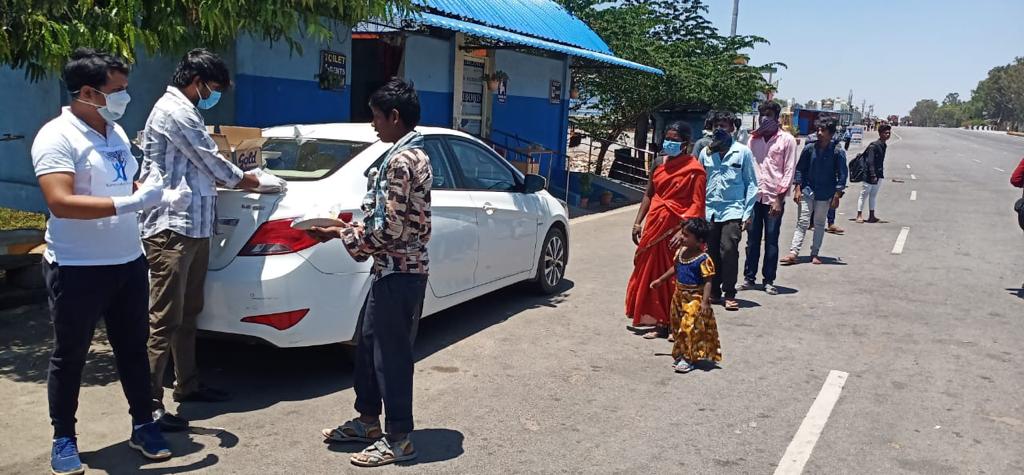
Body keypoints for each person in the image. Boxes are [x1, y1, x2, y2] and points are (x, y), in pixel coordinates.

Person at [33, 48, 188, 474]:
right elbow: (60, 201)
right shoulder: (57, 136)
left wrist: (158, 194)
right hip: (77, 267)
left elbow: (126, 184)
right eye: (117, 90)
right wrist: (130, 204)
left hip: (127, 261)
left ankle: (144, 424)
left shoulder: (114, 132)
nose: (125, 97)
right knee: (71, 355)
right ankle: (64, 437)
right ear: (87, 92)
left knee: (133, 350)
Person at [137, 48, 287, 431]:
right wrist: (254, 182)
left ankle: (188, 384)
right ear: (197, 81)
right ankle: (148, 407)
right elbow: (212, 162)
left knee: (188, 313)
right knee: (164, 318)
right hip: (171, 228)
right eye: (213, 88)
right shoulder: (176, 112)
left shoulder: (189, 111)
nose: (213, 95)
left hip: (195, 226)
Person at [312, 78, 432, 467]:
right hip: (391, 271)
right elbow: (389, 220)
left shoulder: (400, 161)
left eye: (377, 117)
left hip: (400, 272)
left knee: (389, 356)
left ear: (394, 117)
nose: (373, 124)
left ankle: (399, 438)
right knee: (367, 347)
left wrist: (341, 234)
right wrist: (349, 228)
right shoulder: (411, 154)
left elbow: (389, 229)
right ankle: (367, 422)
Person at [625, 122, 706, 339]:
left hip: (678, 229)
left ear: (685, 144)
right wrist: (637, 222)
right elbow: (648, 194)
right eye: (667, 138)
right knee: (651, 272)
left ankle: (676, 323)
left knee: (675, 276)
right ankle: (659, 322)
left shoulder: (695, 170)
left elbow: (697, 204)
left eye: (674, 140)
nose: (669, 143)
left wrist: (684, 232)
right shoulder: (658, 163)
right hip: (654, 225)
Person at [698, 111, 757, 311]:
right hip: (710, 210)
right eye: (716, 125)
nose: (719, 129)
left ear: (732, 128)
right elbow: (699, 181)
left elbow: (751, 183)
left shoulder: (742, 152)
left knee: (729, 250)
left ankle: (730, 292)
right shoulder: (706, 153)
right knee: (711, 252)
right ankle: (713, 291)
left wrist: (747, 213)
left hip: (733, 209)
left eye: (723, 125)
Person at [650, 218, 722, 374]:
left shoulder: (704, 259)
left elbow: (708, 281)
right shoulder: (681, 253)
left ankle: (688, 359)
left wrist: (705, 302)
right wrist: (661, 280)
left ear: (699, 241)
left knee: (688, 327)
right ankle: (681, 352)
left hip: (694, 298)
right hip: (678, 296)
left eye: (686, 235)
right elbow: (675, 268)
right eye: (682, 233)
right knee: (677, 326)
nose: (682, 237)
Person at [741, 102, 797, 295]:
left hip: (774, 198)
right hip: (754, 197)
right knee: (752, 240)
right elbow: (748, 168)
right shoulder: (753, 140)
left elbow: (789, 170)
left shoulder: (787, 140)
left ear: (777, 117)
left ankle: (769, 280)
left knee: (771, 240)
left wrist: (779, 199)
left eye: (769, 114)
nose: (765, 118)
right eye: (762, 115)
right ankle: (749, 278)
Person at [780, 117, 848, 266]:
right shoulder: (809, 148)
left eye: (823, 130)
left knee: (819, 223)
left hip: (825, 193)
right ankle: (793, 252)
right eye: (818, 129)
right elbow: (800, 169)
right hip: (808, 190)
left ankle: (815, 253)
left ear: (831, 133)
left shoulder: (837, 151)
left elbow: (842, 174)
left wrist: (837, 195)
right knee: (803, 221)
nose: (819, 133)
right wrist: (797, 188)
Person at [856, 124, 891, 223]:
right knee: (864, 194)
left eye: (889, 133)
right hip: (869, 174)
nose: (888, 134)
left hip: (878, 174)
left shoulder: (884, 145)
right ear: (880, 133)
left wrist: (878, 174)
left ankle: (872, 215)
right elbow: (870, 161)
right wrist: (872, 174)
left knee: (873, 195)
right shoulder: (874, 146)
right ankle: (859, 215)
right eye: (885, 133)